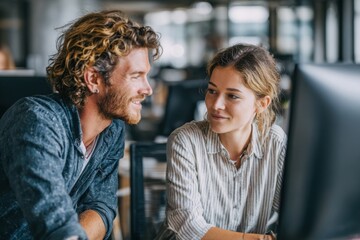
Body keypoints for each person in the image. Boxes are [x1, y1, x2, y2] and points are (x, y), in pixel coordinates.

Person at [0, 10, 161, 240]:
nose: (148, 89)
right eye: (136, 76)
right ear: (93, 79)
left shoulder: (112, 130)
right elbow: (53, 220)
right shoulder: (36, 120)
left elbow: (101, 207)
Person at [155, 43, 287, 240]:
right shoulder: (186, 141)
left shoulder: (275, 142)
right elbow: (189, 226)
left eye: (232, 96)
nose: (216, 105)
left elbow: (293, 213)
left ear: (261, 104)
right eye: (212, 91)